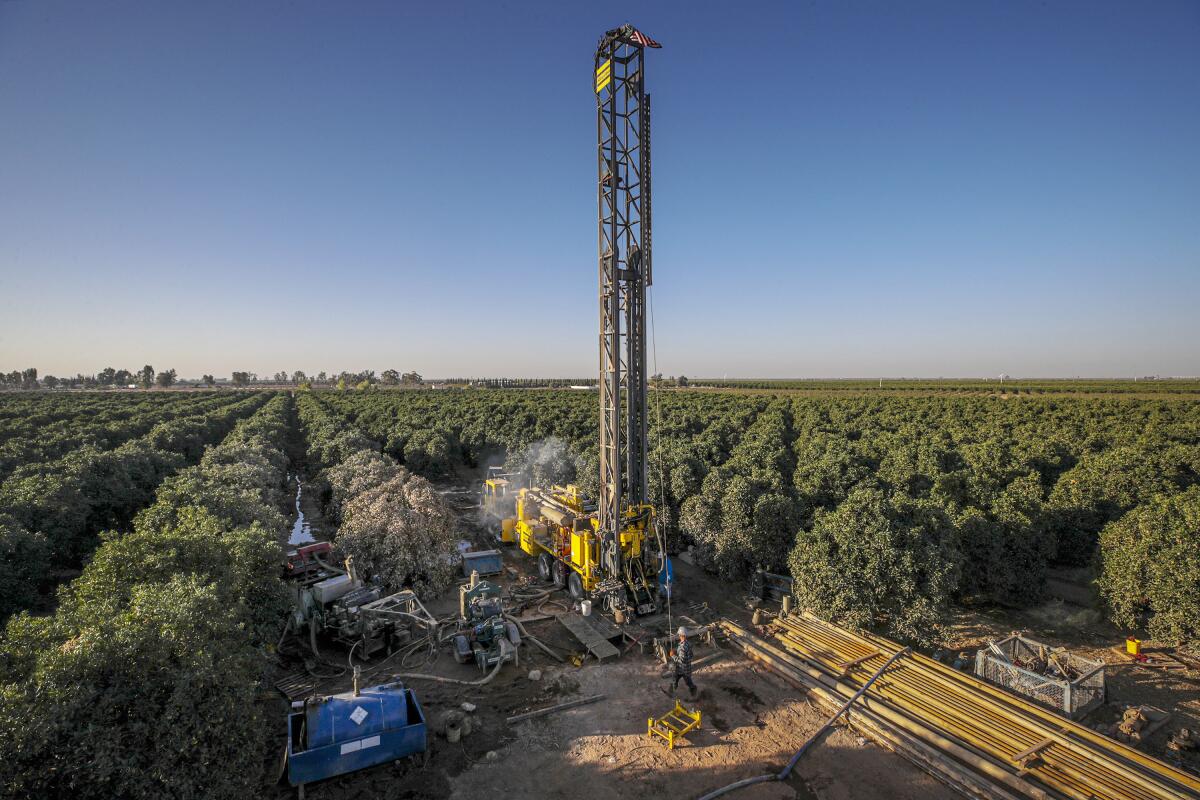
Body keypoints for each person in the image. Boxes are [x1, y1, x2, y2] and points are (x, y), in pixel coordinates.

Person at [668, 626, 696, 699]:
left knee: (675, 679)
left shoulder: (682, 647)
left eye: (679, 635)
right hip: (687, 668)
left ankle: (671, 692)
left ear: (681, 635)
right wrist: (676, 652)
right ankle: (694, 692)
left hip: (681, 668)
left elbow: (681, 660)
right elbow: (691, 655)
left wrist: (673, 655)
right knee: (688, 681)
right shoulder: (687, 643)